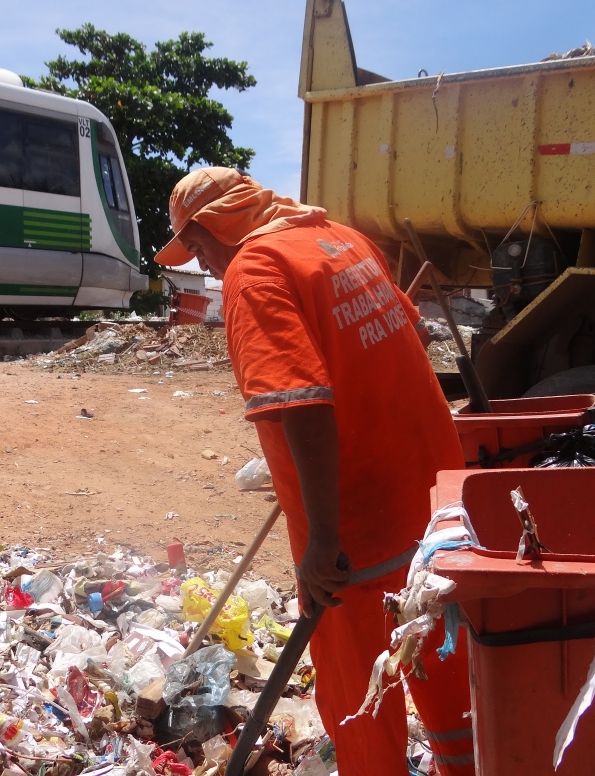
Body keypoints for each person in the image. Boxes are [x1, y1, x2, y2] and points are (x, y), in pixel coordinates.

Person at [156, 167, 474, 776]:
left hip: (357, 534)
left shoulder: (255, 271)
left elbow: (299, 404)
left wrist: (324, 540)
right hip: (436, 512)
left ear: (219, 224)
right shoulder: (339, 240)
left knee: (355, 693)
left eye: (198, 248)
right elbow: (389, 343)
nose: (206, 268)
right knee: (443, 659)